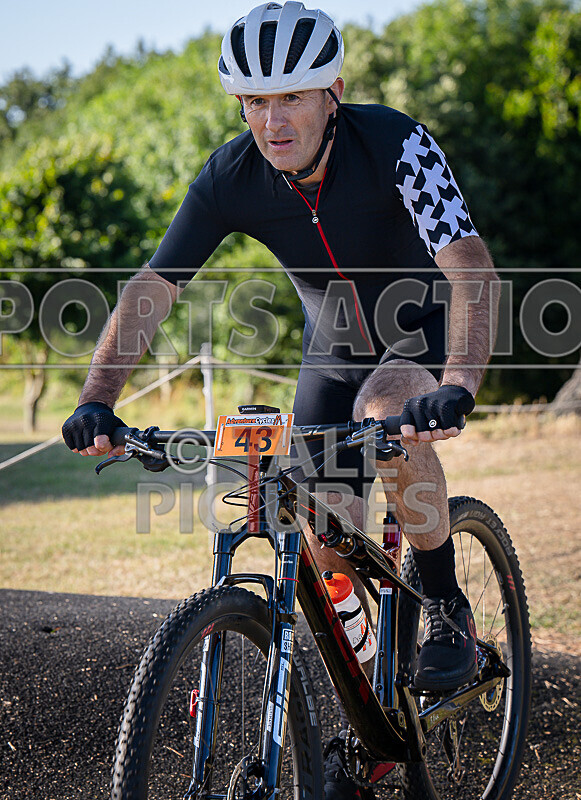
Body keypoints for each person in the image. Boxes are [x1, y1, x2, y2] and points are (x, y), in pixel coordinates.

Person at [62, 3, 499, 797]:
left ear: (332, 90)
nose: (272, 119)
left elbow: (469, 265)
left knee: (387, 413)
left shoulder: (395, 142)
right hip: (332, 345)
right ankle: (372, 724)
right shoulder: (231, 175)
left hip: (423, 326)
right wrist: (97, 399)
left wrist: (457, 384)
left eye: (290, 97)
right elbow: (155, 288)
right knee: (319, 524)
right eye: (254, 102)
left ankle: (443, 607)